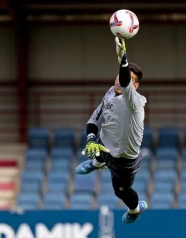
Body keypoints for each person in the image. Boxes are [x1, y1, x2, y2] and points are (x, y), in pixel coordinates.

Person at [75, 37, 147, 224]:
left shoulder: (134, 101)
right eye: (120, 75)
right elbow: (94, 119)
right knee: (100, 144)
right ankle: (97, 163)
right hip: (106, 144)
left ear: (135, 86)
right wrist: (91, 139)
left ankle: (135, 208)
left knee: (120, 191)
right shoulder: (110, 92)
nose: (120, 80)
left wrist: (123, 58)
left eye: (129, 80)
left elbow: (125, 81)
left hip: (124, 159)